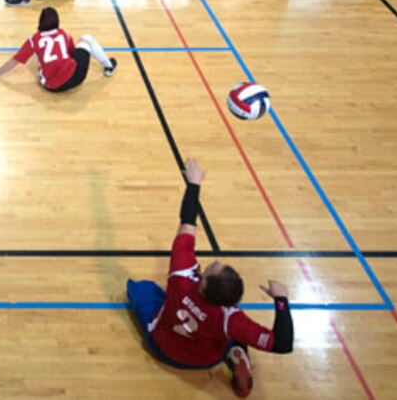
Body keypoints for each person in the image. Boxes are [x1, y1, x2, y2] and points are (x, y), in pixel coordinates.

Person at [126, 159, 294, 397]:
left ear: (203, 283)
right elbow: (282, 344)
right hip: (206, 360)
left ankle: (235, 352)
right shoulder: (230, 317)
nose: (215, 262)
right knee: (241, 332)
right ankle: (238, 355)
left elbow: (187, 221)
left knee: (140, 289)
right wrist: (281, 299)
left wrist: (194, 184)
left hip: (162, 347)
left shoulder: (182, 275)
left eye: (214, 268)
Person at [0, 7, 116, 91]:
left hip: (52, 86)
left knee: (42, 66)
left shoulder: (34, 39)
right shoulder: (64, 34)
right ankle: (109, 66)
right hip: (76, 78)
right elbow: (72, 53)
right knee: (86, 38)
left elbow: (15, 61)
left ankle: (108, 66)